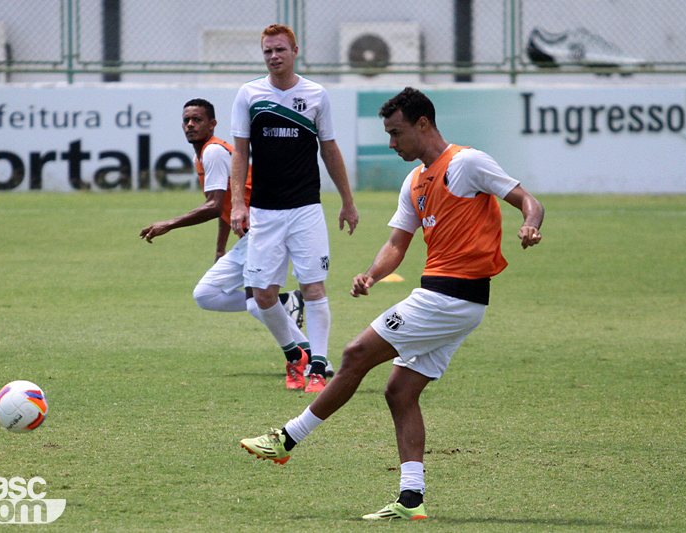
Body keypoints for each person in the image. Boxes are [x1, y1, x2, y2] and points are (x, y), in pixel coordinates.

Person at [240, 87, 544, 520]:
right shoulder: (415, 181)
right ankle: (411, 500)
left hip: (448, 297)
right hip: (454, 302)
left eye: (396, 132)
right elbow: (397, 243)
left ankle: (286, 439)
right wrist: (371, 274)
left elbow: (528, 201)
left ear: (423, 124)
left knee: (354, 354)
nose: (391, 142)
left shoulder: (467, 163)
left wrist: (530, 225)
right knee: (400, 391)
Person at [229, 24, 359, 393]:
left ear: (295, 50)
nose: (274, 56)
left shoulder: (316, 94)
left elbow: (329, 150)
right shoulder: (249, 94)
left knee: (313, 288)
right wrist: (239, 203)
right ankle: (294, 353)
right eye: (268, 50)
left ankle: (317, 366)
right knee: (263, 294)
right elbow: (240, 151)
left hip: (305, 208)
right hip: (265, 212)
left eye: (280, 49)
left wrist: (348, 202)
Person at [140, 98, 311, 369]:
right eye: (186, 120)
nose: (190, 125)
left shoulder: (214, 152)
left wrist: (168, 225)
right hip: (260, 232)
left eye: (197, 119)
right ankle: (284, 305)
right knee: (208, 294)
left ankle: (310, 358)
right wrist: (220, 248)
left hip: (266, 229)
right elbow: (226, 205)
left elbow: (214, 206)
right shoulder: (206, 153)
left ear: (212, 124)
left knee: (256, 303)